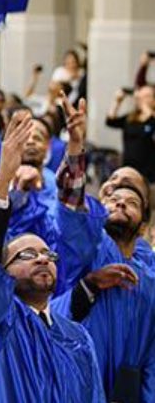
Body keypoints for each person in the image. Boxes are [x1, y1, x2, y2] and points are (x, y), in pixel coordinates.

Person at [0, 102, 104, 401]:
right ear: (2, 272)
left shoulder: (76, 337)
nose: (42, 258)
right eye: (27, 255)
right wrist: (3, 177)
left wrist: (75, 148)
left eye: (48, 255)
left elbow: (72, 222)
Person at [52, 92, 155, 403]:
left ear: (144, 223)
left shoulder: (150, 272)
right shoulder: (88, 244)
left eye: (132, 197)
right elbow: (71, 204)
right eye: (111, 193)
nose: (121, 197)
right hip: (79, 380)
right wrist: (75, 145)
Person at [106, 85, 155, 182]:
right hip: (129, 168)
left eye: (146, 96)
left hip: (149, 173)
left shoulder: (152, 119)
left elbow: (151, 123)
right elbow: (110, 122)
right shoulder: (131, 117)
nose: (142, 99)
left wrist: (145, 106)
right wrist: (117, 101)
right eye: (141, 96)